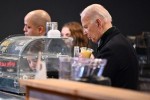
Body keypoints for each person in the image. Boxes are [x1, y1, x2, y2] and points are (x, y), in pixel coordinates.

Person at [80, 4, 139, 90]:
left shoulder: (111, 49)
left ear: (98, 23)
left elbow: (96, 87)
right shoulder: (118, 41)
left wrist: (86, 66)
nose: (84, 32)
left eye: (86, 27)